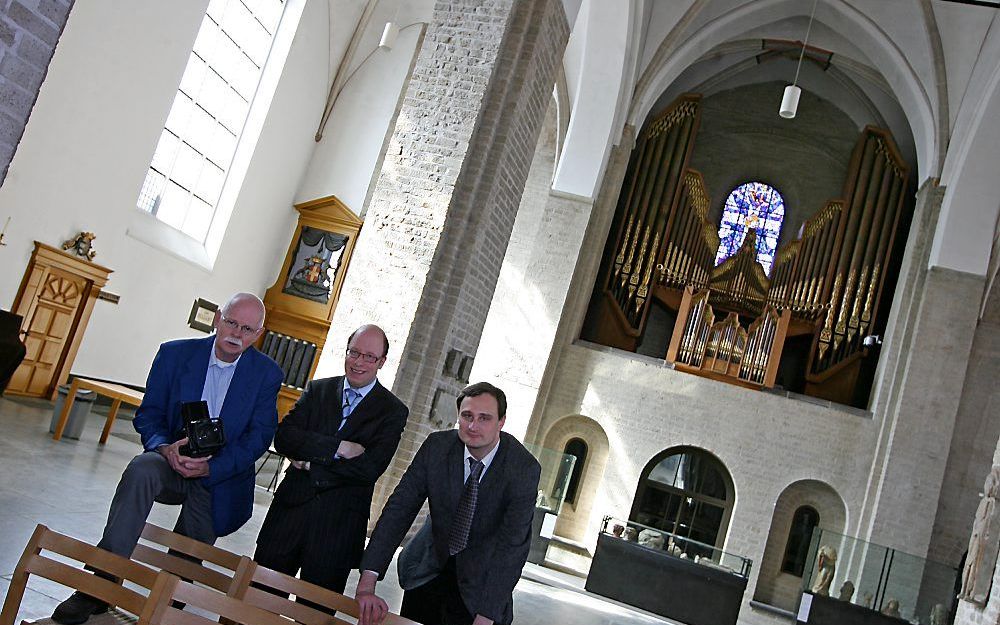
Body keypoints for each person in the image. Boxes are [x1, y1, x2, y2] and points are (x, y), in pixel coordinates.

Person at [53, 292, 282, 625]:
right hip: (172, 458)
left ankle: (170, 601)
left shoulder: (266, 374)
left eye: (247, 329)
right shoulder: (175, 354)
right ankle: (98, 583)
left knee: (188, 550)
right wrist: (164, 448)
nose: (236, 334)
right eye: (231, 322)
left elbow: (258, 437)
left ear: (258, 334)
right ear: (218, 318)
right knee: (142, 468)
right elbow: (149, 415)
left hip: (219, 474)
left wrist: (211, 466)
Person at [356, 382, 541, 625]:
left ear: (501, 422)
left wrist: (486, 616)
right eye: (467, 416)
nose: (473, 426)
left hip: (480, 588)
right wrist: (367, 581)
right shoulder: (437, 447)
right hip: (427, 572)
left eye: (484, 418)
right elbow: (400, 508)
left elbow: (512, 547)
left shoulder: (522, 469)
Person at [253, 325, 408, 602]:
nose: (359, 362)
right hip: (288, 517)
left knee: (315, 615)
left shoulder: (392, 411)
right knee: (256, 604)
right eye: (354, 352)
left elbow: (369, 468)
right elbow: (285, 438)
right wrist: (338, 448)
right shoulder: (319, 390)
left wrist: (311, 464)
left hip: (338, 531)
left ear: (382, 362)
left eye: (369, 357)